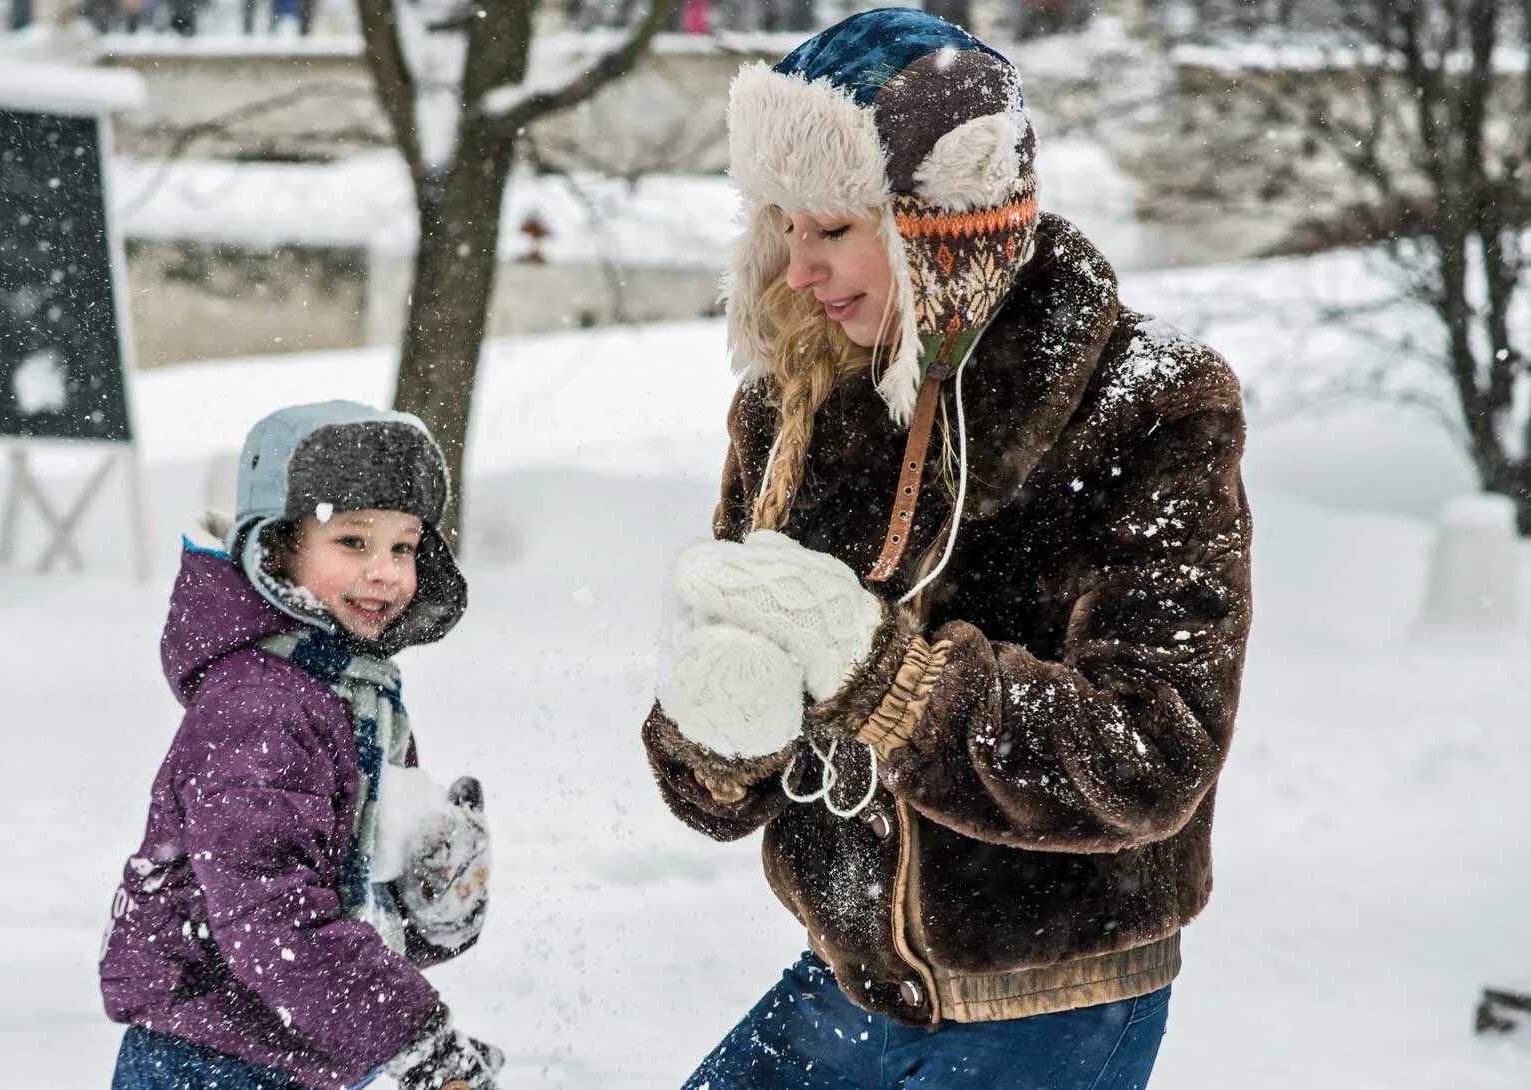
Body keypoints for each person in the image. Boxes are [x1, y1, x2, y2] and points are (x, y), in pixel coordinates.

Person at [641, 10, 1253, 1089]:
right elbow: (721, 785)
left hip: (1051, 1003)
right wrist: (717, 737)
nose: (796, 271)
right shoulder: (793, 401)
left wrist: (888, 682)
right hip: (841, 982)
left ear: (945, 222)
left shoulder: (1144, 405)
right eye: (780, 228)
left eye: (831, 228)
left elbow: (1149, 754)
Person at [100, 401, 503, 1090]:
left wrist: (428, 909)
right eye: (352, 543)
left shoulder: (355, 693)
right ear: (278, 549)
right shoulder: (260, 708)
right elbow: (271, 915)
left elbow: (343, 903)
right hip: (209, 1060)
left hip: (291, 1051)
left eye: (403, 546)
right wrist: (416, 1040)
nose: (385, 572)